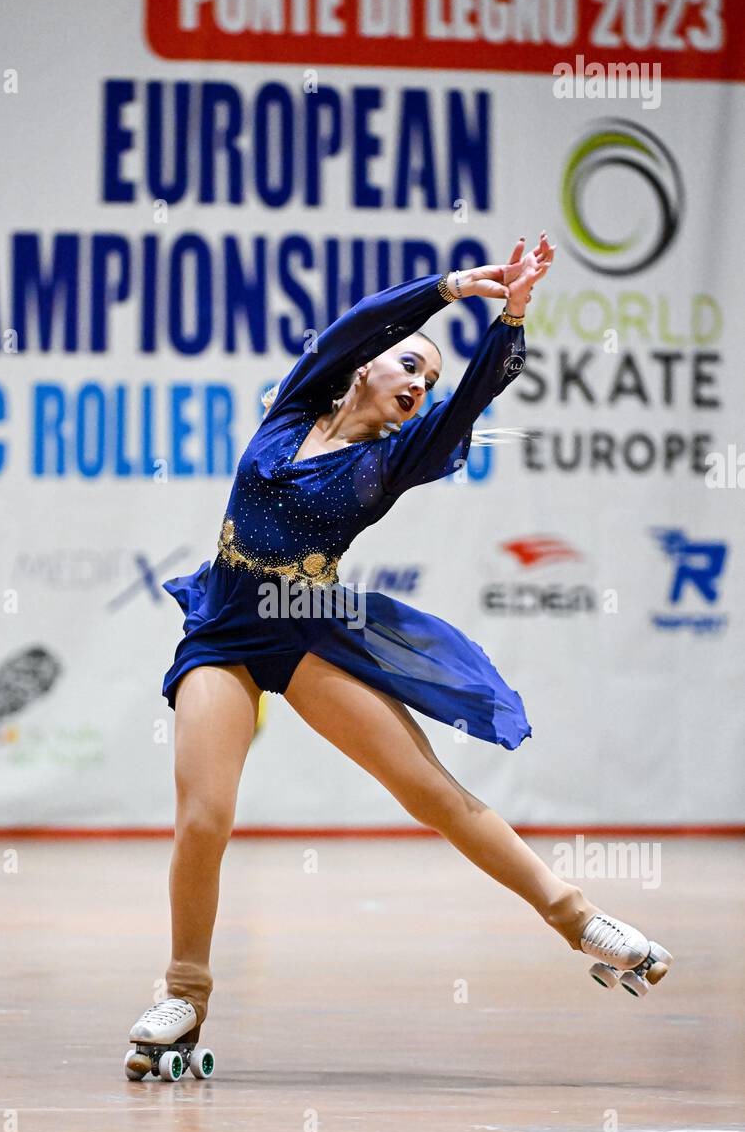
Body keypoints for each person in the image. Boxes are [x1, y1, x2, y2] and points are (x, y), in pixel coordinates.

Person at [124, 233, 672, 1081]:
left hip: (308, 634)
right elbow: (354, 325)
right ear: (365, 370)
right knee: (206, 817)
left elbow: (472, 401)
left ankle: (576, 917)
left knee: (431, 791)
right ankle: (184, 993)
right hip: (224, 632)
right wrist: (451, 288)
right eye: (409, 366)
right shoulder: (292, 410)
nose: (419, 383)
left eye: (427, 381)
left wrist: (512, 315)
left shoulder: (392, 461)